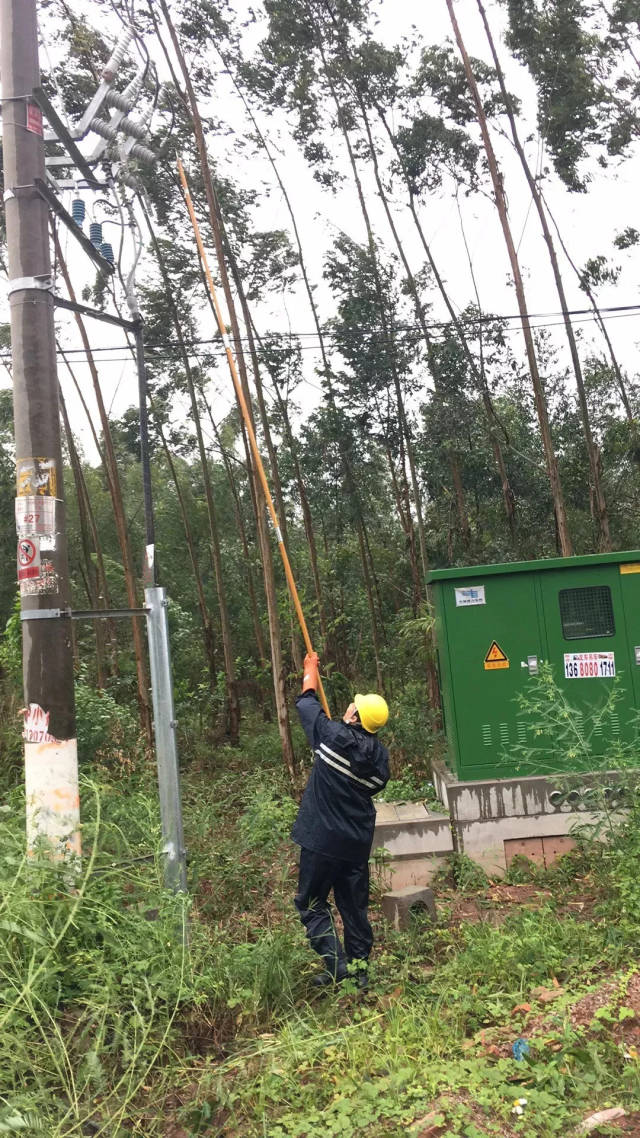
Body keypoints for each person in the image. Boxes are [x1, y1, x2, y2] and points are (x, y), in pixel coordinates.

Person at [292, 651, 390, 988]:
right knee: (353, 908)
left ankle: (337, 966)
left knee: (311, 903)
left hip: (321, 841)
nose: (349, 705)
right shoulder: (380, 760)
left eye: (354, 705)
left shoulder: (331, 736)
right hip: (355, 845)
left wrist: (309, 669)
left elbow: (306, 703)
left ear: (355, 716)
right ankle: (361, 972)